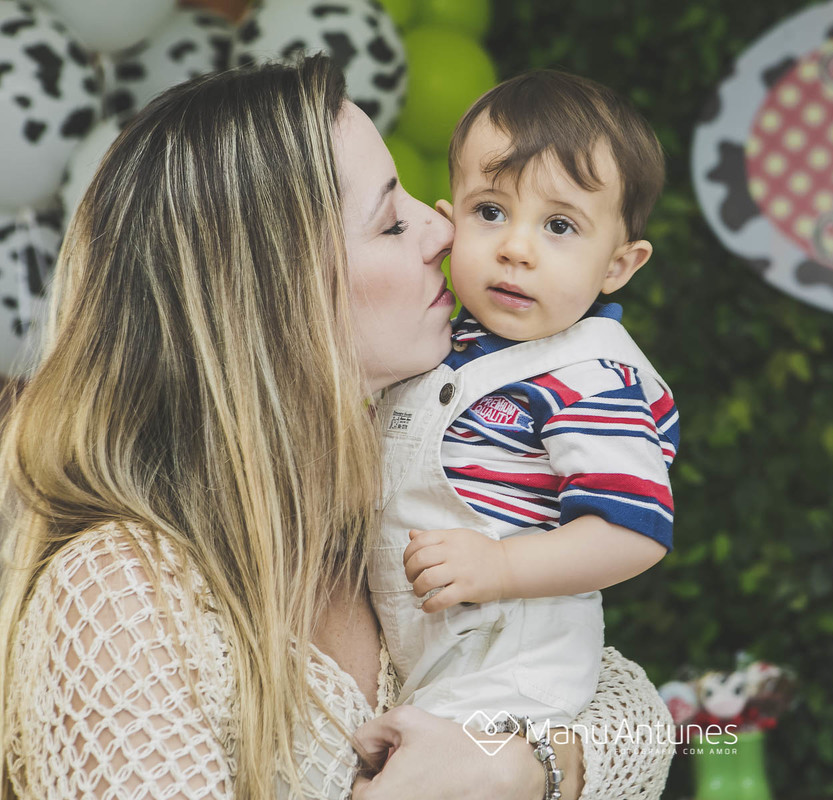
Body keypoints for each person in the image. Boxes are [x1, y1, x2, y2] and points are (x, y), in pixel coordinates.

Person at [0, 56, 673, 799]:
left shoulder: (371, 496)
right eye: (391, 222)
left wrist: (511, 766)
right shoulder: (123, 598)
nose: (442, 231)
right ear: (270, 297)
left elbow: (636, 717)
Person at [370, 70, 679, 731]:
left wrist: (505, 565)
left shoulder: (588, 378)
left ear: (618, 266)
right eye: (491, 212)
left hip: (514, 668)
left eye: (560, 225)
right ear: (448, 221)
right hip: (423, 659)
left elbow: (634, 530)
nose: (515, 247)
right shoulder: (435, 342)